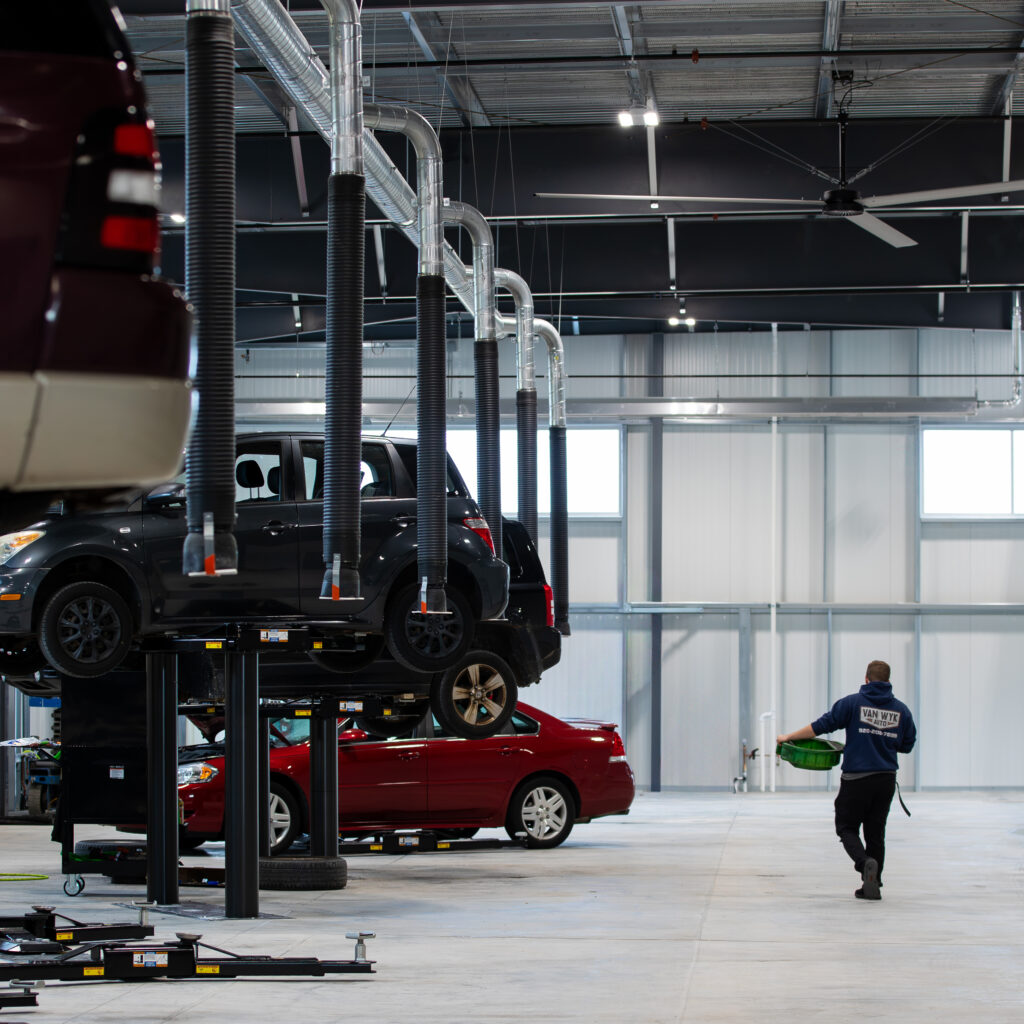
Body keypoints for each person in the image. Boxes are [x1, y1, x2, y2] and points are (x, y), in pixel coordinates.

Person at [777, 659, 916, 901]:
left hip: (857, 779)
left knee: (847, 827)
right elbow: (907, 745)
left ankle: (865, 865)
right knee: (876, 832)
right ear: (889, 681)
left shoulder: (852, 703)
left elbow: (820, 727)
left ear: (866, 679)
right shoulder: (902, 710)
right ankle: (874, 884)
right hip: (885, 779)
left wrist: (787, 736)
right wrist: (884, 739)